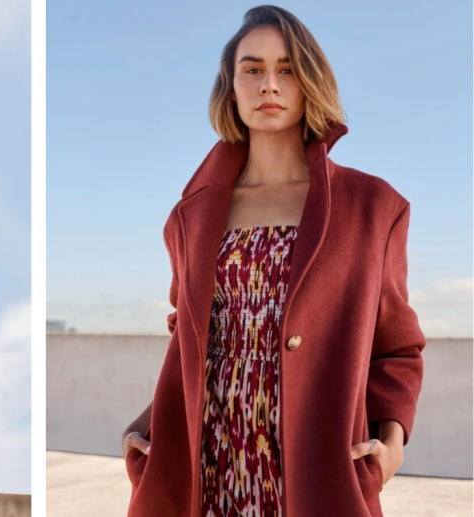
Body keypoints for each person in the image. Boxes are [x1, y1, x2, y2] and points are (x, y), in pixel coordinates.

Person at [119, 5, 424, 517]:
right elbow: (188, 333)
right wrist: (147, 425)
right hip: (206, 464)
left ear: (309, 83)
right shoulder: (189, 216)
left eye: (287, 69)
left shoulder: (374, 208)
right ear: (230, 88)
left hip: (314, 466)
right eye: (252, 69)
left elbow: (398, 346)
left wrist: (391, 444)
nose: (269, 85)